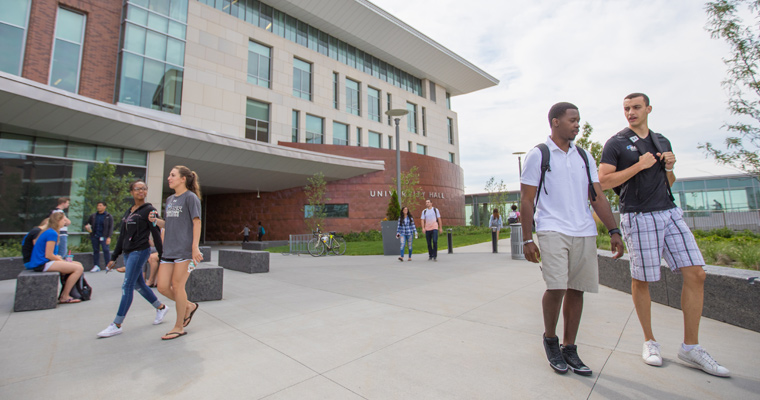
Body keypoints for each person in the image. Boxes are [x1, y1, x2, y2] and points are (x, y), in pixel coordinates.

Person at [598, 93, 730, 377]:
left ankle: (691, 347)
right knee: (642, 279)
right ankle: (650, 341)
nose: (630, 112)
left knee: (696, 273)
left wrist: (669, 167)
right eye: (626, 109)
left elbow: (666, 182)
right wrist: (638, 166)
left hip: (669, 212)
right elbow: (604, 181)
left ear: (648, 109)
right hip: (638, 215)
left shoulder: (661, 141)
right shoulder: (616, 143)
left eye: (635, 107)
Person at [520, 102, 624, 376]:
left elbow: (597, 196)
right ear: (555, 122)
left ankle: (570, 347)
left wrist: (614, 231)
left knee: (577, 289)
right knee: (556, 287)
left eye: (578, 120)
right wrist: (527, 239)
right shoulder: (538, 155)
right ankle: (551, 340)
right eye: (572, 120)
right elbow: (527, 200)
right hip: (552, 228)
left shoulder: (584, 156)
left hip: (584, 231)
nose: (577, 124)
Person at [97, 181, 170, 338]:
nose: (141, 191)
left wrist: (161, 255)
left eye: (144, 189)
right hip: (128, 253)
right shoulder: (129, 212)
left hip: (140, 251)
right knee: (139, 284)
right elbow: (122, 236)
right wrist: (114, 257)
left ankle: (117, 324)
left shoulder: (150, 210)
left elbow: (156, 233)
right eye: (137, 189)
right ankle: (161, 307)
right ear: (131, 192)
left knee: (127, 285)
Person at [150, 166, 203, 340]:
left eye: (173, 175)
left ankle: (178, 326)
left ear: (183, 179)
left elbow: (197, 223)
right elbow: (170, 224)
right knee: (163, 287)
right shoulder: (170, 199)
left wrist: (194, 247)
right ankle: (188, 306)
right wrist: (155, 221)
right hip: (169, 251)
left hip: (185, 250)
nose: (169, 178)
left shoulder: (191, 198)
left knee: (178, 286)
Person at [27, 211, 85, 304]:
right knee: (78, 268)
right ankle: (65, 296)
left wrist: (60, 259)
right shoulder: (52, 233)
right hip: (42, 263)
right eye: (64, 220)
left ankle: (68, 292)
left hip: (43, 262)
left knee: (78, 264)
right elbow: (48, 255)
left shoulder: (48, 231)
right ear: (58, 221)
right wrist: (61, 260)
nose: (65, 222)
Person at [84, 202, 114, 272]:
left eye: (100, 206)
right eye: (98, 205)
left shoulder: (108, 216)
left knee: (106, 250)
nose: (98, 207)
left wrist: (109, 237)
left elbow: (111, 227)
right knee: (95, 250)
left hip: (104, 236)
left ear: (104, 207)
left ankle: (108, 266)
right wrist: (88, 228)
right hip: (95, 236)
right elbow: (88, 223)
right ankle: (96, 265)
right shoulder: (93, 216)